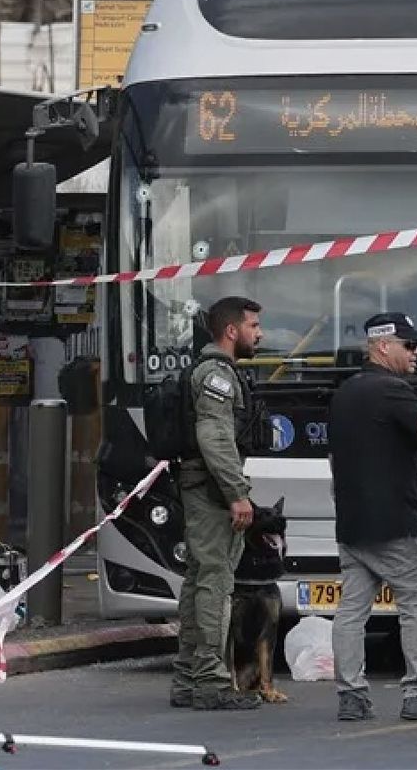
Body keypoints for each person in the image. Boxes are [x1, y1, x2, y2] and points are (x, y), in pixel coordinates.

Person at [327, 312, 417, 723]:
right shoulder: (392, 391)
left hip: (351, 523)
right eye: (409, 345)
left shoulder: (345, 392)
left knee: (351, 609)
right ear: (384, 346)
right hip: (395, 522)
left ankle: (352, 695)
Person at [170, 296, 264, 711]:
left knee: (199, 580)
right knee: (214, 582)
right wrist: (237, 494)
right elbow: (215, 438)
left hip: (202, 488)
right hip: (210, 492)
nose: (259, 334)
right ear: (232, 330)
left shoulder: (210, 370)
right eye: (253, 326)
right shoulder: (217, 376)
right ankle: (209, 681)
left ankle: (189, 678)